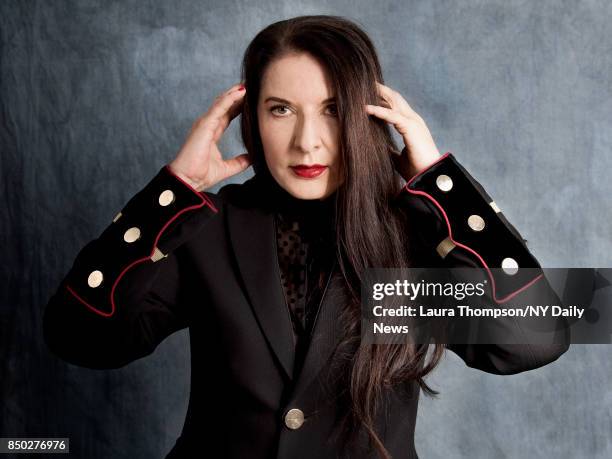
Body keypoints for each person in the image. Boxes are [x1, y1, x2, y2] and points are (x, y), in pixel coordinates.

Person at [43, 15, 570, 459]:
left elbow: (537, 338)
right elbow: (77, 338)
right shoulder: (207, 227)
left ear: (369, 117)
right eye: (281, 109)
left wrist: (440, 181)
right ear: (249, 117)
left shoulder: (409, 237)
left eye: (333, 109)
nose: (307, 141)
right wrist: (171, 194)